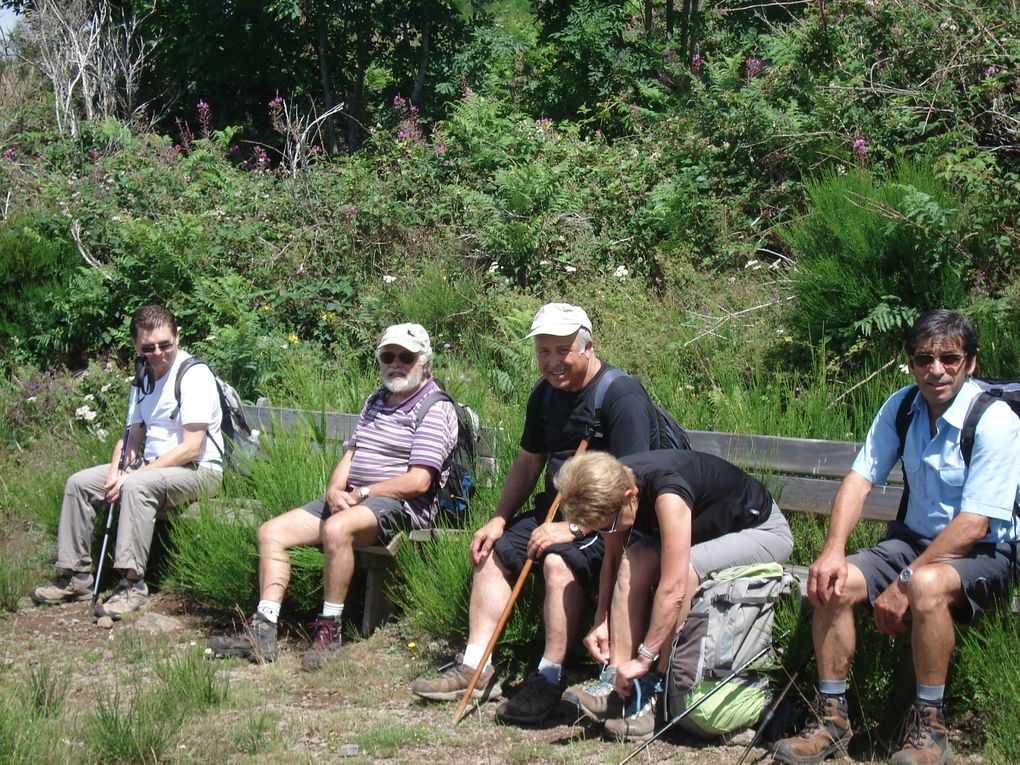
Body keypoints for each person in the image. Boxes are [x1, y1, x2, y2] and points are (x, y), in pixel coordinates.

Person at [773, 309, 1020, 765]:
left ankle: (930, 730)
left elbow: (974, 525)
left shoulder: (996, 421)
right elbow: (859, 480)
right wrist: (831, 552)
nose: (936, 369)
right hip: (911, 542)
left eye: (950, 357)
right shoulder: (902, 406)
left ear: (970, 364)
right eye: (924, 358)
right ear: (909, 363)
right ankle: (832, 720)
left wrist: (905, 581)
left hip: (984, 555)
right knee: (835, 580)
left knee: (925, 586)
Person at [412, 302, 665, 725]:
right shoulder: (544, 394)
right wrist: (498, 517)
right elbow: (529, 462)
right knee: (492, 549)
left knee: (556, 561)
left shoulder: (620, 395)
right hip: (555, 509)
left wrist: (573, 527)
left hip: (609, 521)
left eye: (562, 350)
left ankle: (548, 678)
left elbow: (631, 487)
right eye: (544, 351)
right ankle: (476, 664)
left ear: (587, 347)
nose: (552, 361)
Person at [207, 323, 458, 670]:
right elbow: (352, 454)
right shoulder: (376, 400)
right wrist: (334, 490)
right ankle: (263, 629)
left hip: (401, 505)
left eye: (406, 356)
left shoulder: (435, 408)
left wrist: (365, 492)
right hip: (355, 499)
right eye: (388, 356)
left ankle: (329, 631)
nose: (396, 363)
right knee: (271, 532)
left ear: (425, 362)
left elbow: (419, 480)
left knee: (337, 530)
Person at [555, 449, 794, 742]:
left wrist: (645, 658)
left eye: (610, 525)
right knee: (636, 560)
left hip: (762, 532)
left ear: (630, 496)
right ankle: (618, 686)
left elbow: (674, 589)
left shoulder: (668, 493)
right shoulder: (610, 483)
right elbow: (614, 557)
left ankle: (660, 691)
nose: (610, 532)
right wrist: (600, 618)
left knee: (688, 568)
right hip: (707, 533)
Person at [31, 304, 224, 620]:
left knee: (135, 485)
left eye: (166, 344)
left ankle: (132, 585)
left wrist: (132, 477)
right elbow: (131, 438)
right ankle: (76, 577)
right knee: (79, 484)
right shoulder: (143, 376)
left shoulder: (194, 375)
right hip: (156, 468)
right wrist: (114, 471)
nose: (158, 353)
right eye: (149, 347)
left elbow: (191, 447)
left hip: (199, 471)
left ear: (178, 336)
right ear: (136, 345)